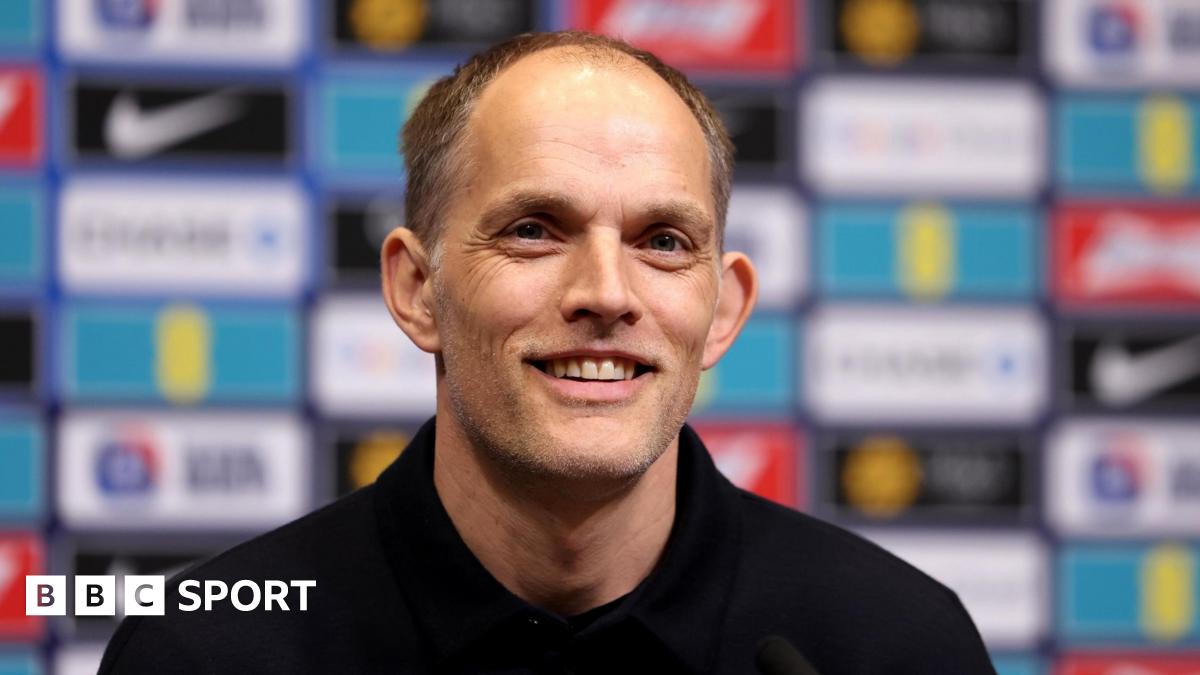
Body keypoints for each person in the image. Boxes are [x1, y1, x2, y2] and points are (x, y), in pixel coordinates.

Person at [99, 31, 996, 674]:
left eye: (664, 241)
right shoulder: (203, 647)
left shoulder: (895, 643)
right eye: (534, 230)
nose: (606, 291)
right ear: (419, 291)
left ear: (722, 311)